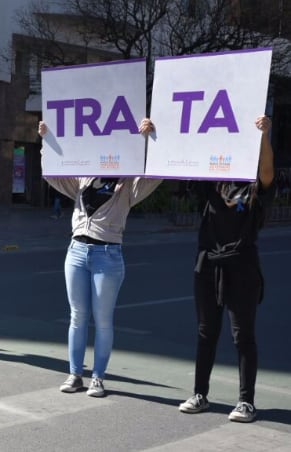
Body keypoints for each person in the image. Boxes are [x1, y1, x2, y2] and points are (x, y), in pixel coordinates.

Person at [39, 118, 160, 397]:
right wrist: (46, 141)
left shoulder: (128, 184)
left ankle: (98, 377)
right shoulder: (84, 176)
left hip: (108, 254)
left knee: (103, 320)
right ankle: (74, 374)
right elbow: (52, 174)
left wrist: (151, 138)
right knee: (77, 317)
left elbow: (156, 175)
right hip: (76, 251)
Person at [178, 115, 275, 423]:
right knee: (206, 332)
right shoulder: (211, 180)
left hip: (242, 264)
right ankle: (200, 394)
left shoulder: (255, 187)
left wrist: (263, 136)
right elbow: (183, 158)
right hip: (207, 262)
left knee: (242, 335)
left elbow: (268, 170)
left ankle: (246, 401)